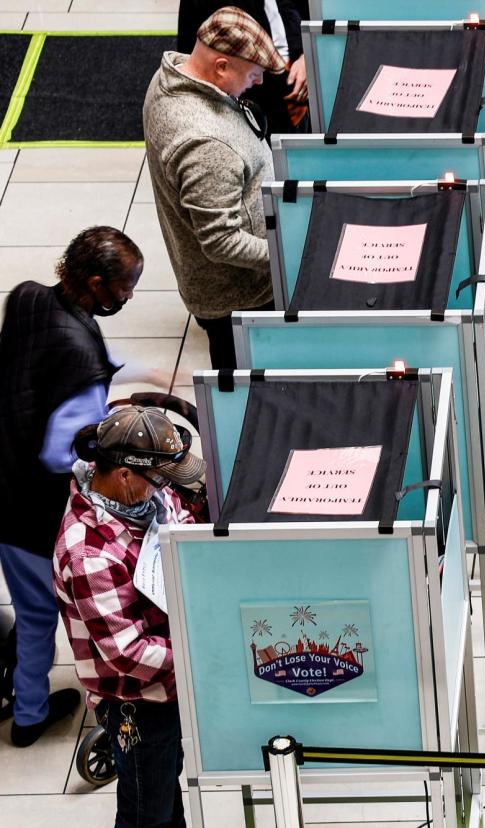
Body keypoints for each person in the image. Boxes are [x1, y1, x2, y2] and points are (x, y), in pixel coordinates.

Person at [0, 227, 146, 746]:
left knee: (27, 603)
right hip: (35, 511)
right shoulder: (82, 361)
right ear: (94, 281)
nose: (129, 296)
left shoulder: (28, 297)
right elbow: (61, 454)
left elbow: (44, 362)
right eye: (125, 287)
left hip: (2, 477)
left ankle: (17, 690)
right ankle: (32, 716)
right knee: (54, 612)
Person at [53, 406, 203, 827]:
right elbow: (128, 652)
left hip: (168, 688)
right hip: (137, 702)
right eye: (158, 479)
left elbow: (176, 514)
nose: (165, 490)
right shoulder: (89, 554)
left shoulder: (142, 496)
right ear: (123, 475)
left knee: (164, 789)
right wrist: (202, 650)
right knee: (145, 813)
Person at [144, 6, 282, 372]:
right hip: (241, 297)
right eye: (253, 73)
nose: (259, 82)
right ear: (221, 67)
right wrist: (288, 253)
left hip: (216, 286)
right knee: (251, 393)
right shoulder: (206, 143)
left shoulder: (170, 75)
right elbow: (221, 240)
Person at [176, 0, 309, 133]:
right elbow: (193, 59)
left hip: (291, 83)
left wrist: (306, 53)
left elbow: (291, 8)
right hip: (243, 102)